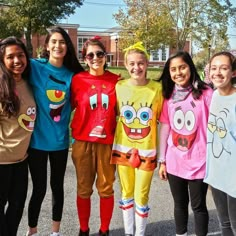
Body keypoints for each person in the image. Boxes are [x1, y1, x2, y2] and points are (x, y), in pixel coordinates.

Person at [26, 26, 84, 236]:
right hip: (37, 142)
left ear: (67, 47)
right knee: (39, 189)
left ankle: (55, 232)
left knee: (57, 188)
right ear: (47, 46)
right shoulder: (35, 67)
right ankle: (32, 230)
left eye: (62, 42)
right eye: (54, 42)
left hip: (60, 141)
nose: (58, 45)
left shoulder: (73, 76)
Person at [110, 42, 164, 236]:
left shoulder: (157, 89)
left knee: (141, 194)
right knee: (126, 192)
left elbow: (164, 121)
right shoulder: (119, 87)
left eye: (140, 63)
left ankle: (139, 233)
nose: (136, 68)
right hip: (123, 149)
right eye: (132, 63)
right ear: (125, 65)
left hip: (147, 151)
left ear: (147, 64)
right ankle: (128, 232)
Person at [158, 51, 213, 236]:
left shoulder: (206, 93)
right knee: (180, 205)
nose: (178, 73)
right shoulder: (169, 95)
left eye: (182, 67)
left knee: (198, 207)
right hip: (175, 162)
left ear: (190, 67)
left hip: (200, 161)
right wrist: (162, 160)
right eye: (173, 69)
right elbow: (164, 129)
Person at [70, 36, 119, 236]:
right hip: (82, 142)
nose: (95, 58)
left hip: (107, 143)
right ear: (85, 58)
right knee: (83, 188)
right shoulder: (77, 80)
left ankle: (104, 230)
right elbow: (64, 108)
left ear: (106, 56)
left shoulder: (116, 81)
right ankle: (83, 229)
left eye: (100, 54)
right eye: (90, 55)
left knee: (106, 188)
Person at [0, 36, 36, 236]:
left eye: (20, 55)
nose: (17, 61)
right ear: (2, 60)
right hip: (1, 161)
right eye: (10, 57)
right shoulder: (1, 86)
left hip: (21, 160)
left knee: (16, 208)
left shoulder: (29, 83)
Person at [204, 51, 236, 236]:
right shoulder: (212, 96)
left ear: (233, 72)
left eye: (224, 68)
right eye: (214, 68)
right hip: (216, 172)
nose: (218, 72)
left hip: (234, 175)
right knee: (224, 224)